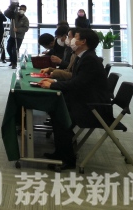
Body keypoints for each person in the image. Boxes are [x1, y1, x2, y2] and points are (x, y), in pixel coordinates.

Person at [39, 28, 111, 170]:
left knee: (60, 115)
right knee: (56, 110)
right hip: (85, 100)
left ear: (83, 42)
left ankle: (67, 159)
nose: (71, 40)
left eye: (75, 38)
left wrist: (53, 85)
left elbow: (77, 84)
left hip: (93, 107)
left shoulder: (89, 59)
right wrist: (54, 82)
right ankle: (60, 153)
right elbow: (75, 80)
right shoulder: (83, 56)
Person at [4, 3, 29, 69]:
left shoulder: (25, 19)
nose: (21, 10)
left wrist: (18, 29)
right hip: (12, 35)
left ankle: (14, 63)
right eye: (21, 9)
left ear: (25, 10)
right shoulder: (14, 15)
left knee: (15, 50)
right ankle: (12, 60)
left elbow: (26, 28)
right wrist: (11, 7)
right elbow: (6, 13)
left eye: (23, 9)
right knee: (8, 48)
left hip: (19, 37)